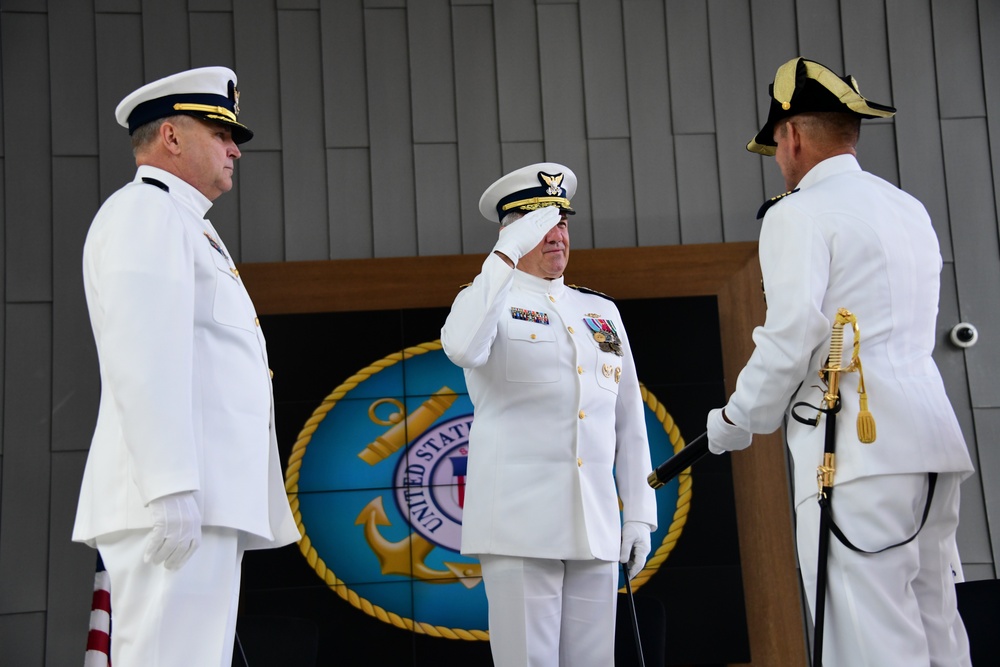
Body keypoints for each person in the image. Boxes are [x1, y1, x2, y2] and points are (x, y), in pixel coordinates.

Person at [706, 57, 974, 666]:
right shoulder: (908, 208)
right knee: (938, 633)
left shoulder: (796, 213)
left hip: (852, 451)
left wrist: (737, 418)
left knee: (870, 641)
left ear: (793, 135)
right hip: (930, 447)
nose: (778, 157)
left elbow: (793, 333)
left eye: (776, 143)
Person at [72, 66, 300, 666]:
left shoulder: (188, 226)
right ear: (171, 137)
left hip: (204, 498)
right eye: (223, 134)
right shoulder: (144, 213)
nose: (235, 151)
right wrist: (170, 485)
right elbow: (143, 352)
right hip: (171, 498)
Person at [440, 163, 657, 666]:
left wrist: (639, 515)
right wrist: (503, 256)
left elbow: (626, 420)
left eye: (562, 221)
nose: (556, 234)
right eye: (540, 224)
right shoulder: (486, 302)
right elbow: (462, 347)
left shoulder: (599, 313)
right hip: (519, 526)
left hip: (594, 523)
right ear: (513, 232)